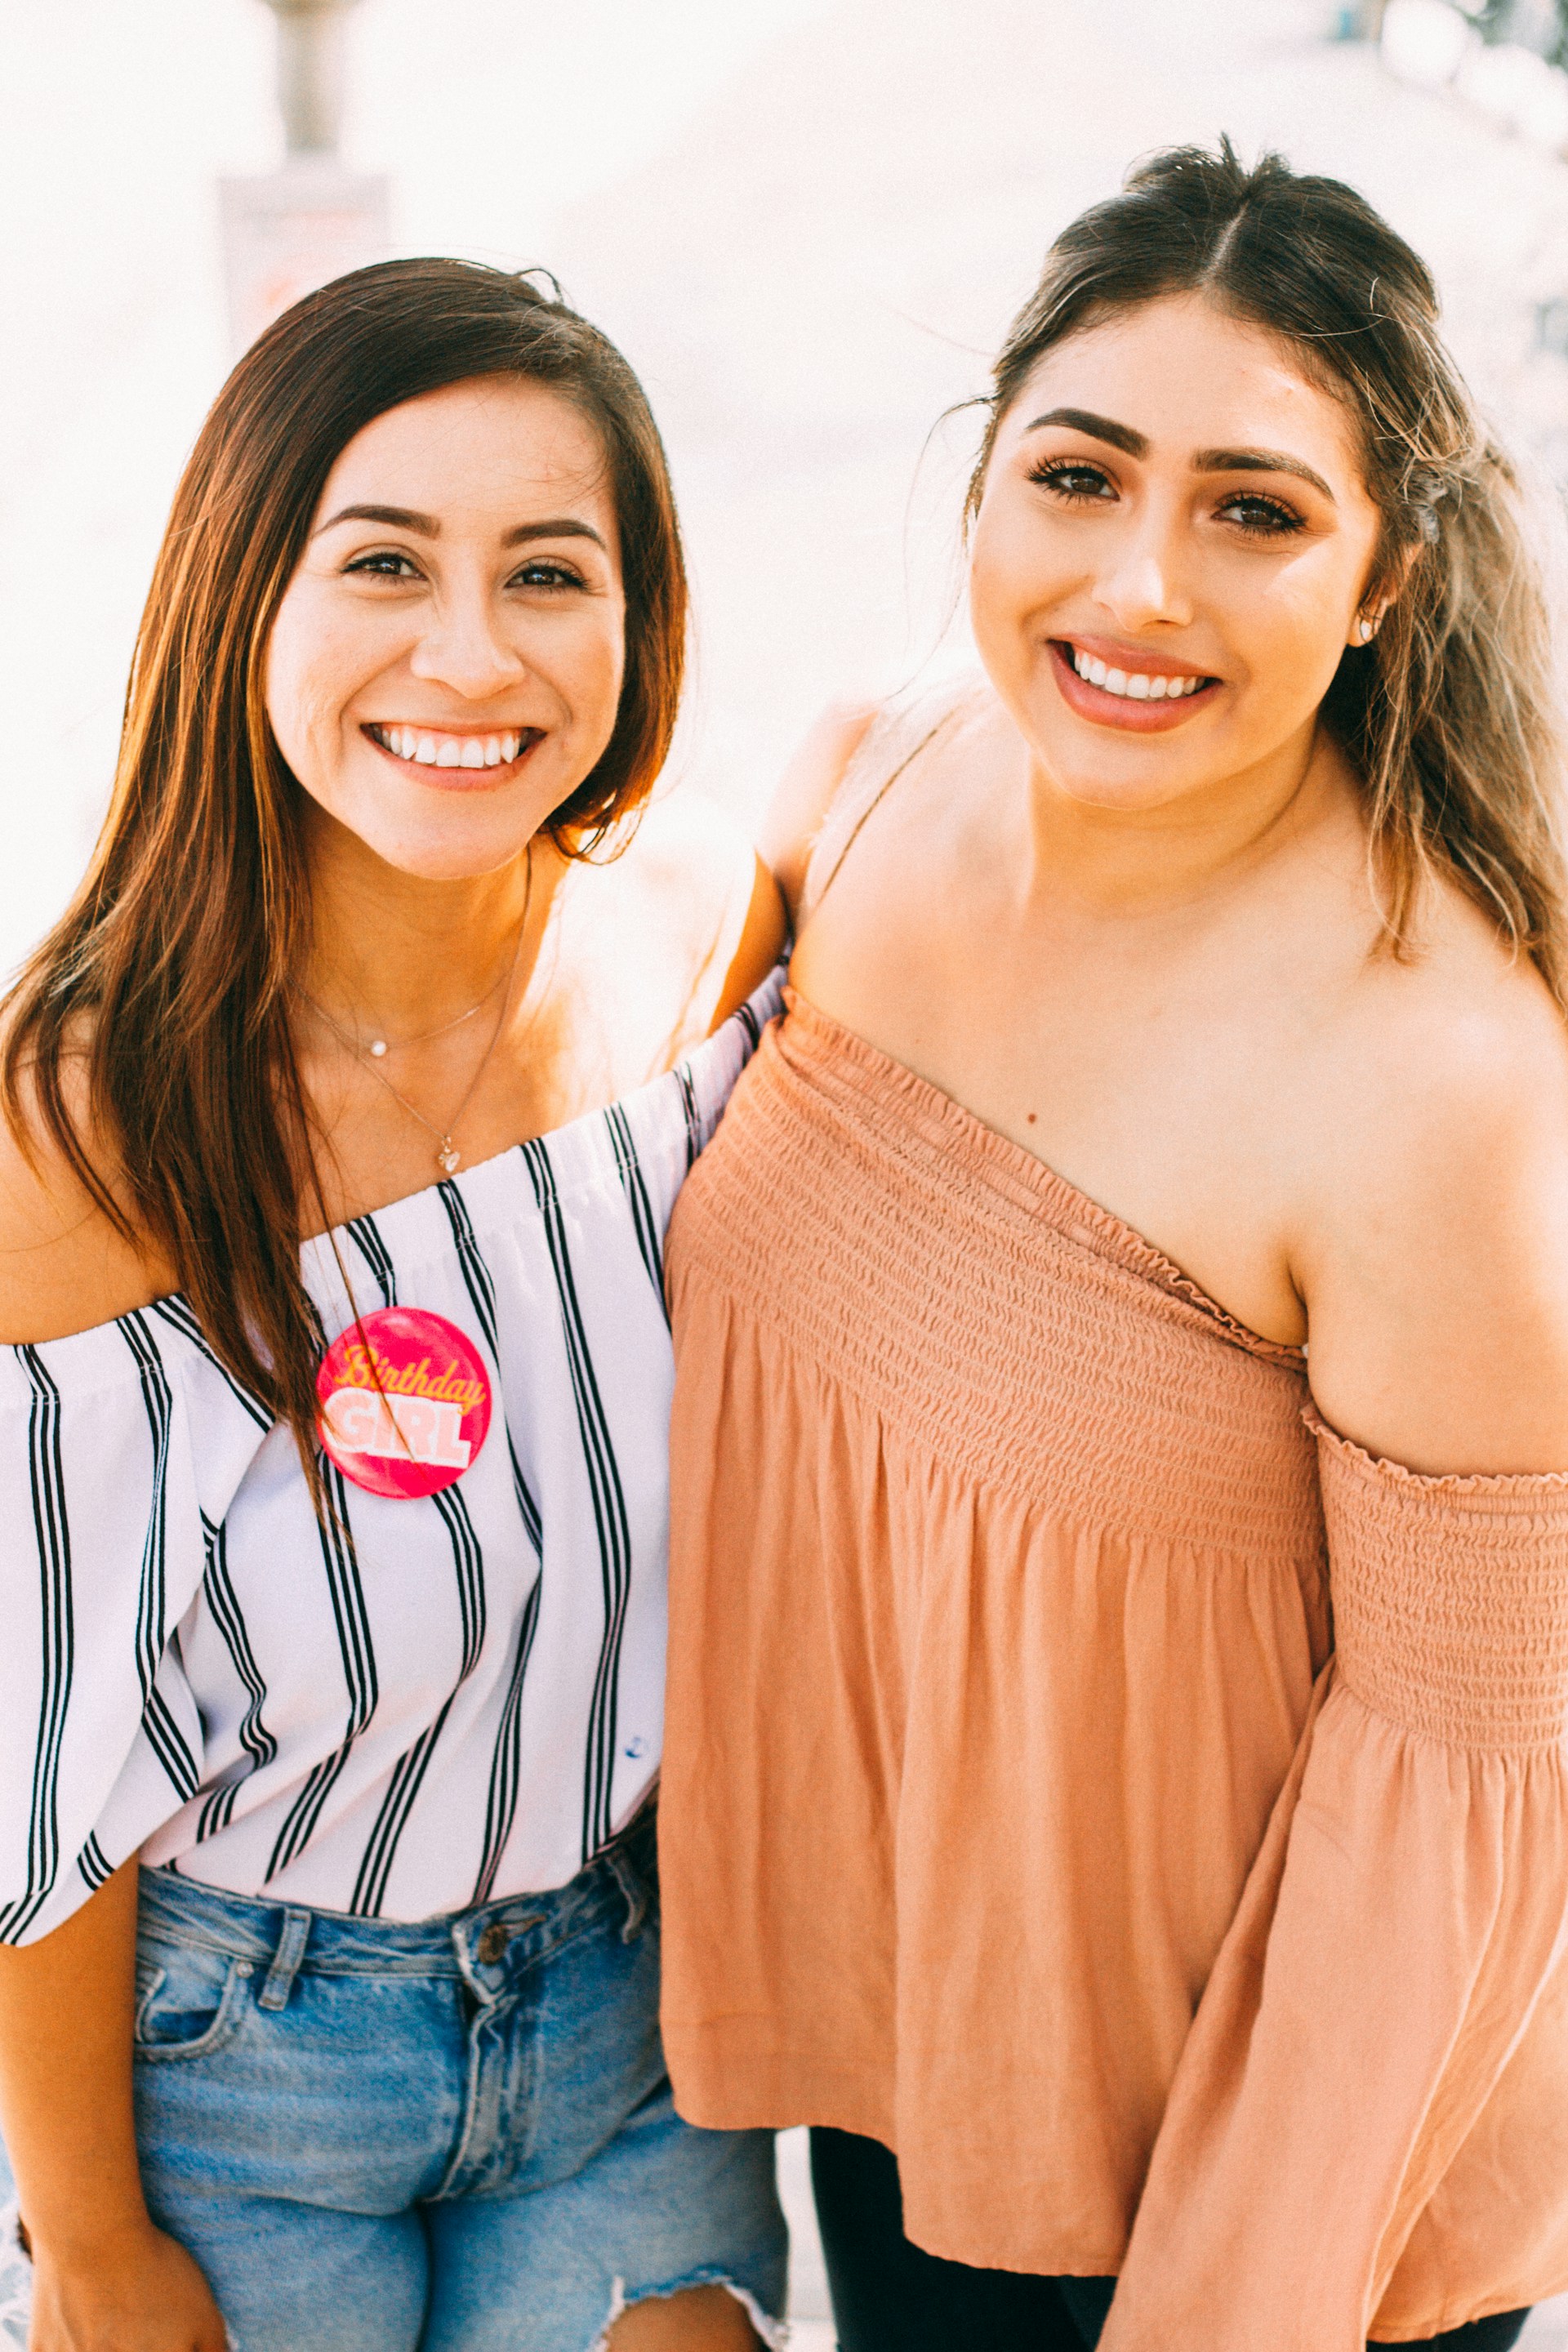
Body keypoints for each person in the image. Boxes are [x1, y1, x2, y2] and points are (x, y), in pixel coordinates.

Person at [657, 141, 1568, 2352]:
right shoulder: (863, 783)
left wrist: (1229, 2302)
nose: (1141, 583)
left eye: (1255, 509)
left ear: (1383, 579)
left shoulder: (1441, 1090)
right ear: (985, 486)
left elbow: (1466, 1802)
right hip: (903, 2091)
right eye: (1080, 475)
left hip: (1240, 2206)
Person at [0, 257, 787, 2352]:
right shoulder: (92, 1122)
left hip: (626, 2009)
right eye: (383, 562)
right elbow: (38, 1775)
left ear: (639, 620)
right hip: (236, 2053)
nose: (471, 652)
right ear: (245, 595)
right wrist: (87, 2245)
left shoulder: (707, 937)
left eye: (550, 571)